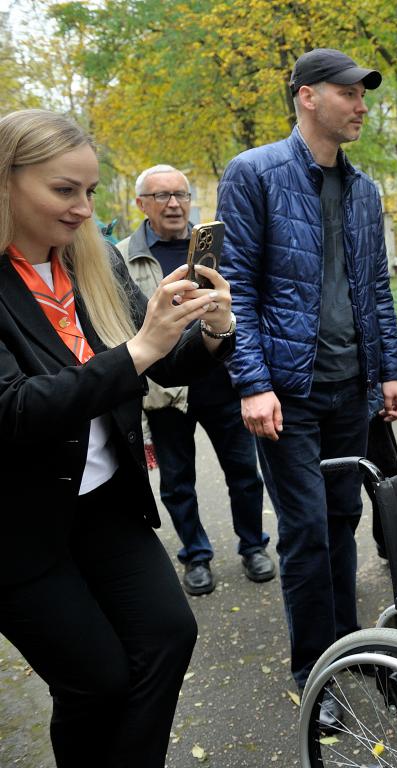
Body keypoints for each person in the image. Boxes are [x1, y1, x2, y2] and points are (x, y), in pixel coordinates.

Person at [0, 109, 235, 766]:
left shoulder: (91, 259)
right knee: (96, 681)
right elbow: (15, 410)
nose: (82, 209)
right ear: (6, 183)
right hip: (19, 526)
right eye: (63, 190)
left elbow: (157, 361)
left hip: (104, 503)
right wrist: (140, 349)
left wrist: (211, 329)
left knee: (168, 636)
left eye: (90, 190)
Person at [217, 49, 397, 711]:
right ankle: (313, 671)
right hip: (286, 392)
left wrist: (389, 371)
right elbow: (232, 290)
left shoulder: (365, 190)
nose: (360, 105)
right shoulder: (253, 174)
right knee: (305, 529)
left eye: (363, 94)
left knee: (345, 515)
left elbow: (377, 290)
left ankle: (349, 646)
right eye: (348, 92)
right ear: (306, 96)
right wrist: (252, 382)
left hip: (349, 386)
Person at [118, 164, 273, 595]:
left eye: (181, 194)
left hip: (222, 381)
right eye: (162, 195)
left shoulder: (213, 248)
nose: (174, 204)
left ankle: (253, 546)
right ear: (141, 204)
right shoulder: (126, 256)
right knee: (177, 479)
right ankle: (196, 555)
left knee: (244, 473)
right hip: (166, 391)